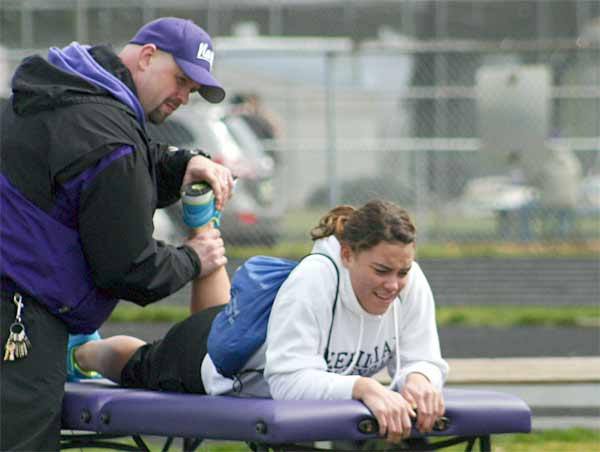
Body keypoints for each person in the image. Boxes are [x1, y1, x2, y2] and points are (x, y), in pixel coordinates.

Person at [0, 17, 236, 451]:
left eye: (193, 91)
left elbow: (112, 168)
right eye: (181, 80)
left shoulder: (65, 87)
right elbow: (130, 267)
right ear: (147, 56)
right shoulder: (108, 137)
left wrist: (182, 163)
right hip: (18, 322)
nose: (184, 98)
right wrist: (194, 257)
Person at [70, 200, 449, 444]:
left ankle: (204, 226)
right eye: (382, 270)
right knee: (139, 363)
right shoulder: (316, 278)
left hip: (249, 337)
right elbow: (287, 383)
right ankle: (83, 349)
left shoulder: (408, 281)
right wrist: (364, 387)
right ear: (347, 254)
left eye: (401, 272)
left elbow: (424, 358)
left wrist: (420, 379)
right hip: (211, 359)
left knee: (219, 316)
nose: (393, 285)